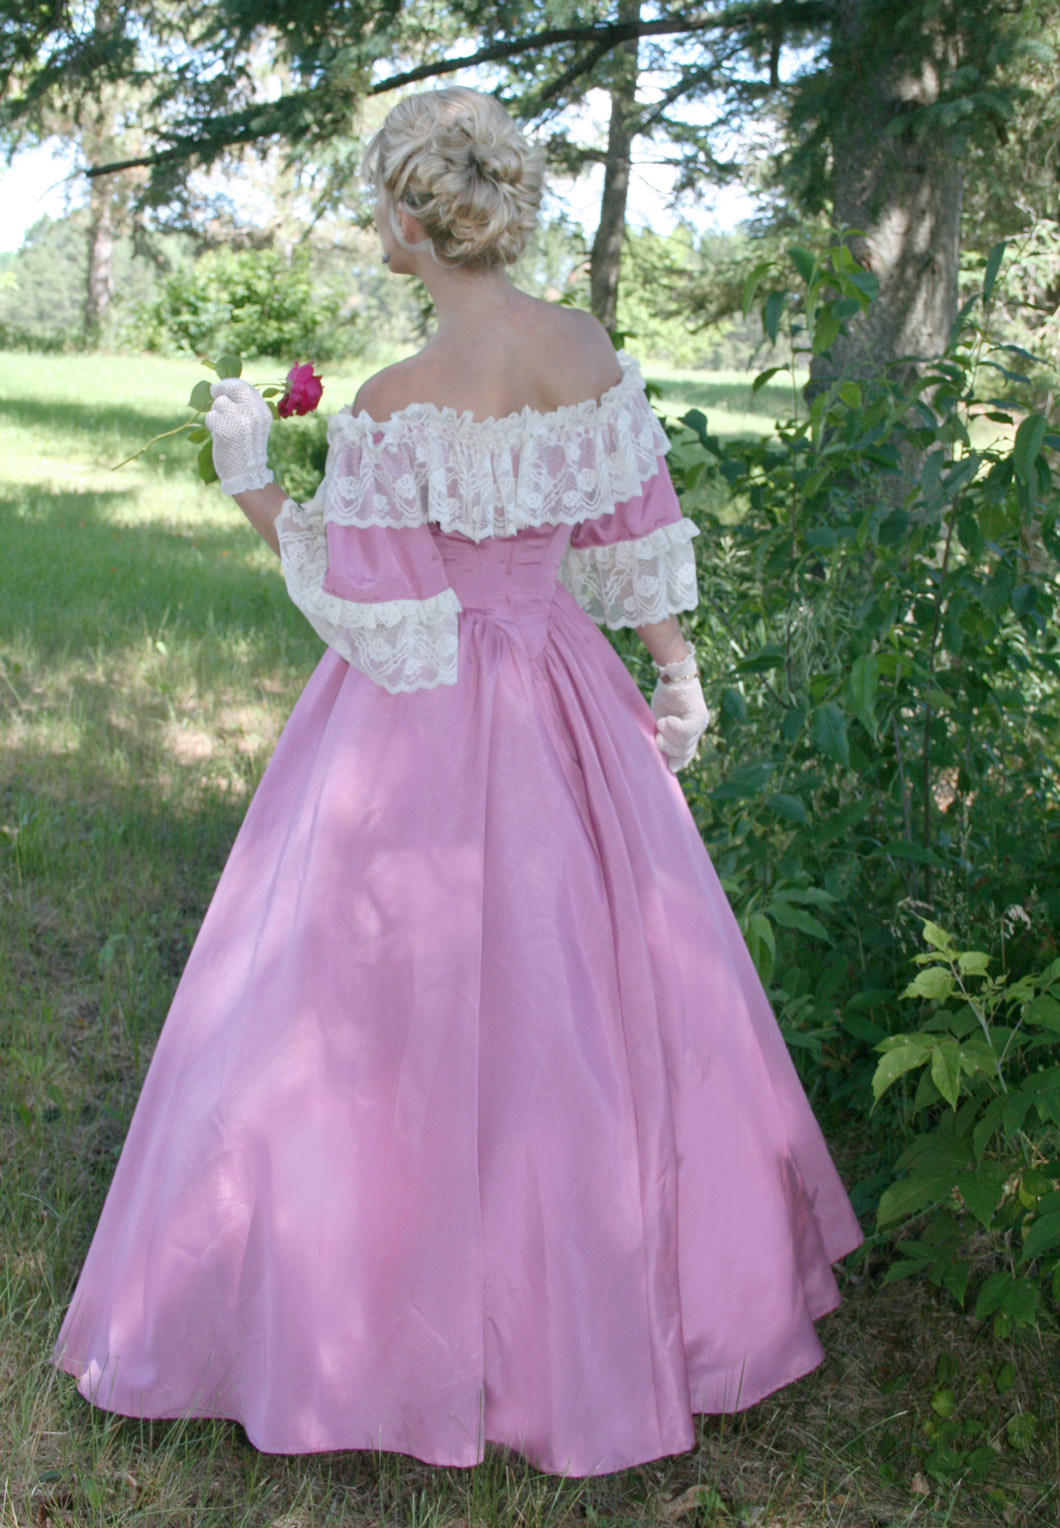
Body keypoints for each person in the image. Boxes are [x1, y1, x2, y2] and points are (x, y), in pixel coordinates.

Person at [52, 86, 863, 1478]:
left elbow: (376, 604)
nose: (375, 221)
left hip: (417, 724)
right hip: (564, 690)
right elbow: (635, 522)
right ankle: (610, 1315)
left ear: (418, 227)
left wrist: (254, 477)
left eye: (381, 200)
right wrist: (675, 675)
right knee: (591, 991)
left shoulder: (400, 400)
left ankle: (370, 1322)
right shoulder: (584, 345)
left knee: (370, 1001)